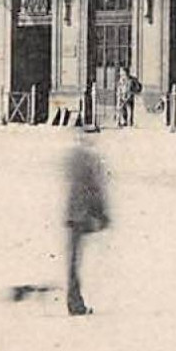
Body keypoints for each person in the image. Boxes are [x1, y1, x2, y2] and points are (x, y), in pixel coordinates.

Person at [63, 134, 110, 316]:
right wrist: (102, 213)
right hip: (83, 214)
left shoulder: (74, 156)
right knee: (76, 261)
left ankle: (75, 300)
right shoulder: (91, 159)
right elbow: (95, 188)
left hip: (72, 213)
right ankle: (75, 302)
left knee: (74, 260)